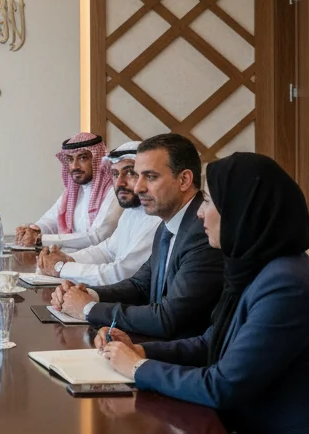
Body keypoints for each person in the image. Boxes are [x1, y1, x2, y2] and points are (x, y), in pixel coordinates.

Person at [100, 153, 309, 434]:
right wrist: (142, 351)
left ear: (243, 210)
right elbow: (212, 342)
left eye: (210, 201)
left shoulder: (285, 285)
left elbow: (223, 385)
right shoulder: (258, 267)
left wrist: (139, 369)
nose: (200, 213)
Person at [51, 133, 222, 337]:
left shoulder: (202, 231)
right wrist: (87, 294)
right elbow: (140, 285)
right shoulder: (169, 223)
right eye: (138, 176)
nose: (138, 187)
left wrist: (89, 309)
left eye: (150, 177)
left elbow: (170, 318)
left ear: (184, 180)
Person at [37, 142, 160, 285]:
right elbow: (107, 251)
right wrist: (67, 259)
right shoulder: (132, 209)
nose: (120, 182)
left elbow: (120, 273)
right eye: (115, 174)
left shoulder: (156, 216)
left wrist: (62, 267)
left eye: (130, 173)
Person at [15, 132, 119, 248]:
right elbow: (51, 219)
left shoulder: (113, 190)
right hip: (72, 259)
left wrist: (40, 239)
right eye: (70, 159)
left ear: (97, 159)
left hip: (99, 262)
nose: (75, 166)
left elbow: (98, 236)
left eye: (82, 158)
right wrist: (34, 230)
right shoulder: (73, 191)